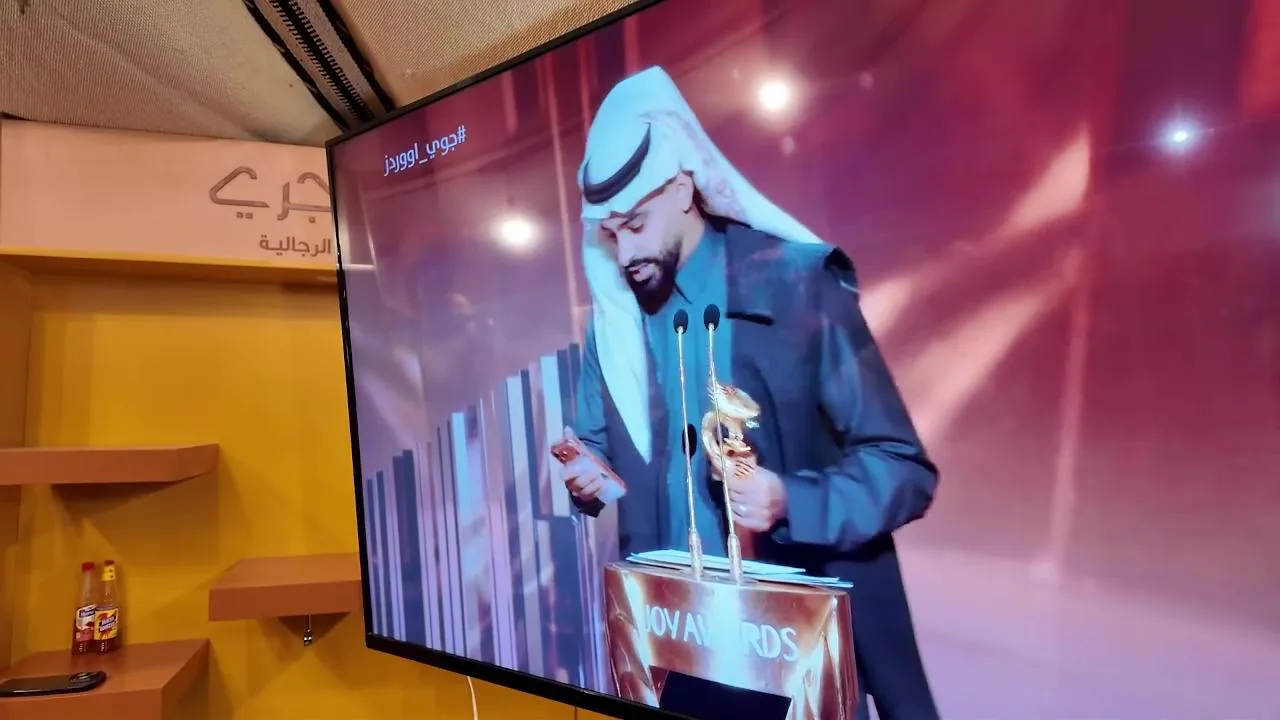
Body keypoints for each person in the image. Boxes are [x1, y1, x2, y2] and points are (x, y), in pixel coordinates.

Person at [561, 66, 940, 720]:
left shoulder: (798, 286)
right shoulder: (614, 326)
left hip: (794, 657)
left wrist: (789, 499)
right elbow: (596, 456)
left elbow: (902, 469)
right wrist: (585, 478)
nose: (624, 254)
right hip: (673, 658)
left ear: (683, 188)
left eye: (637, 224)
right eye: (611, 233)